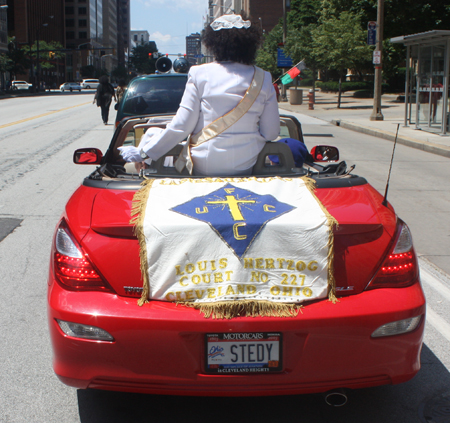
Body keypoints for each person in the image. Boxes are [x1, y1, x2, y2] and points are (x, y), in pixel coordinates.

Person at [119, 13, 280, 176]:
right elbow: (271, 133)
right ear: (250, 44)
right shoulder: (263, 77)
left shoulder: (199, 73)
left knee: (152, 133)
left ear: (214, 43)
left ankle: (142, 174)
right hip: (246, 164)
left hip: (204, 164)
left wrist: (144, 153)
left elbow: (182, 126)